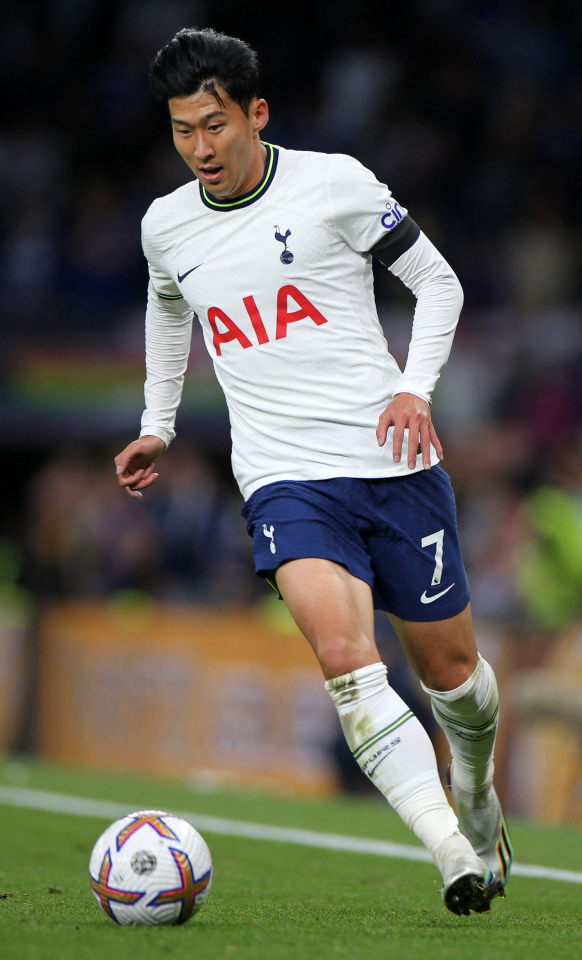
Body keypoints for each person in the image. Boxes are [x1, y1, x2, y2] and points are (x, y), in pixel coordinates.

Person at [114, 27, 512, 916]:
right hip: (285, 480)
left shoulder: (335, 184)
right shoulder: (166, 226)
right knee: (344, 656)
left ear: (256, 113)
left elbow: (439, 284)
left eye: (215, 124)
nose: (200, 147)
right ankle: (451, 849)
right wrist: (157, 425)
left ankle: (477, 791)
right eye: (182, 130)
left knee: (455, 680)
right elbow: (168, 309)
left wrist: (414, 390)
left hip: (393, 464)